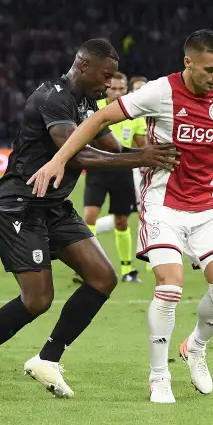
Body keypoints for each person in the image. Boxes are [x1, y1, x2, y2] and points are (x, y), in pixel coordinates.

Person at [27, 29, 213, 403]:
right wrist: (59, 159)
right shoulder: (160, 92)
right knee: (170, 287)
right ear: (188, 62)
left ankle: (196, 348)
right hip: (163, 204)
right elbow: (99, 119)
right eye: (209, 69)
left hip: (208, 204)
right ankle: (159, 377)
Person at [0, 39, 179, 399]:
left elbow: (113, 148)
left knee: (103, 277)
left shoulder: (88, 101)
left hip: (54, 206)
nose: (109, 84)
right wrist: (142, 159)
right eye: (105, 76)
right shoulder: (52, 98)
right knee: (38, 299)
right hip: (20, 206)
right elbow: (74, 155)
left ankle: (48, 358)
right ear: (84, 66)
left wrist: (146, 135)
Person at [75, 72, 147, 285]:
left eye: (121, 89)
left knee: (121, 221)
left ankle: (127, 269)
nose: (117, 92)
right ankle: (88, 267)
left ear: (126, 89)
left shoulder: (134, 113)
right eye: (113, 88)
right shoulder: (93, 108)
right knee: (89, 216)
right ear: (107, 88)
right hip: (96, 168)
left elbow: (142, 146)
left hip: (122, 171)